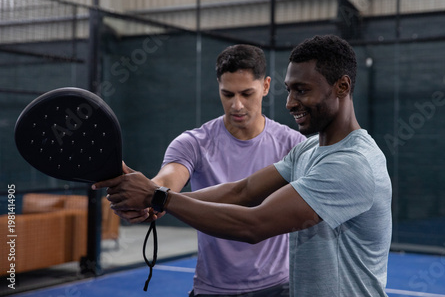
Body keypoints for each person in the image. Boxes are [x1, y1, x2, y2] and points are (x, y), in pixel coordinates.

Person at [97, 35, 392, 297]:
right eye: (289, 90)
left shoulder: (353, 164)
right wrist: (156, 196)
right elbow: (243, 191)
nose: (290, 103)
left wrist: (158, 197)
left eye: (301, 90)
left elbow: (255, 224)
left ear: (342, 86)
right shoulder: (309, 148)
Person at [114, 44, 305, 296]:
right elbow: (167, 181)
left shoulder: (293, 145)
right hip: (213, 288)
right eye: (228, 94)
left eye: (246, 93)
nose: (236, 105)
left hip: (278, 286)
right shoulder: (193, 143)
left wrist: (156, 196)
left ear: (266, 86)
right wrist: (144, 196)